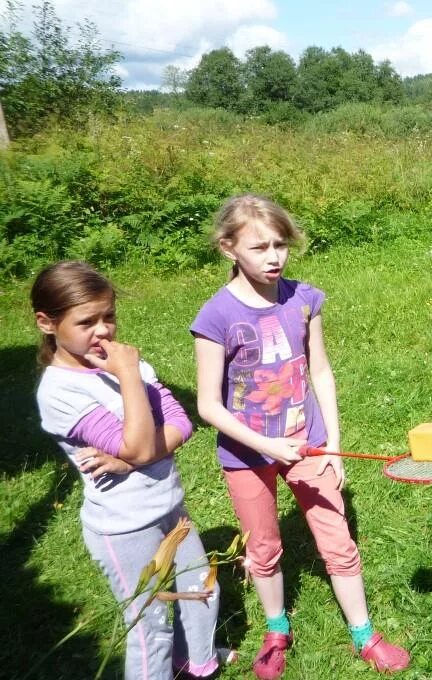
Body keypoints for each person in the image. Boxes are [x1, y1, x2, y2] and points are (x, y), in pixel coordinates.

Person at [191, 195, 410, 679]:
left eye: (281, 245)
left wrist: (331, 441)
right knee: (263, 548)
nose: (273, 257)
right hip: (247, 455)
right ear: (229, 249)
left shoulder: (304, 299)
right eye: (260, 247)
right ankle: (276, 629)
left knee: (339, 541)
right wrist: (267, 446)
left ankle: (363, 633)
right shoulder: (216, 317)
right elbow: (208, 405)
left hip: (308, 443)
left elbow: (322, 372)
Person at [32, 260, 223, 680]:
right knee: (149, 626)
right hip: (124, 527)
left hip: (170, 506)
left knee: (201, 590)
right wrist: (129, 380)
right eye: (87, 322)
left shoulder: (130, 366)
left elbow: (180, 423)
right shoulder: (60, 391)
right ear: (47, 323)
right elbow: (140, 441)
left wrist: (129, 458)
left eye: (109, 317)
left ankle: (196, 665)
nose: (103, 331)